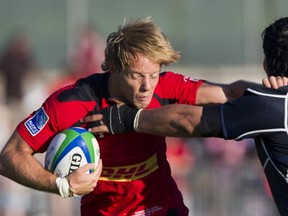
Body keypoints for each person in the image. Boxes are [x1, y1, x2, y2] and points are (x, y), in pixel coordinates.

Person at [0, 17, 279, 216]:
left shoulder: (167, 85)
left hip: (164, 208)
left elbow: (229, 93)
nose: (147, 86)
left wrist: (278, 92)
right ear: (114, 68)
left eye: (154, 75)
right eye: (136, 76)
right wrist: (61, 185)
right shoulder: (71, 103)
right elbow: (10, 155)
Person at [88, 17, 288, 215]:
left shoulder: (274, 107)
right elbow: (231, 93)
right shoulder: (273, 103)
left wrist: (125, 119)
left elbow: (188, 120)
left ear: (266, 63)